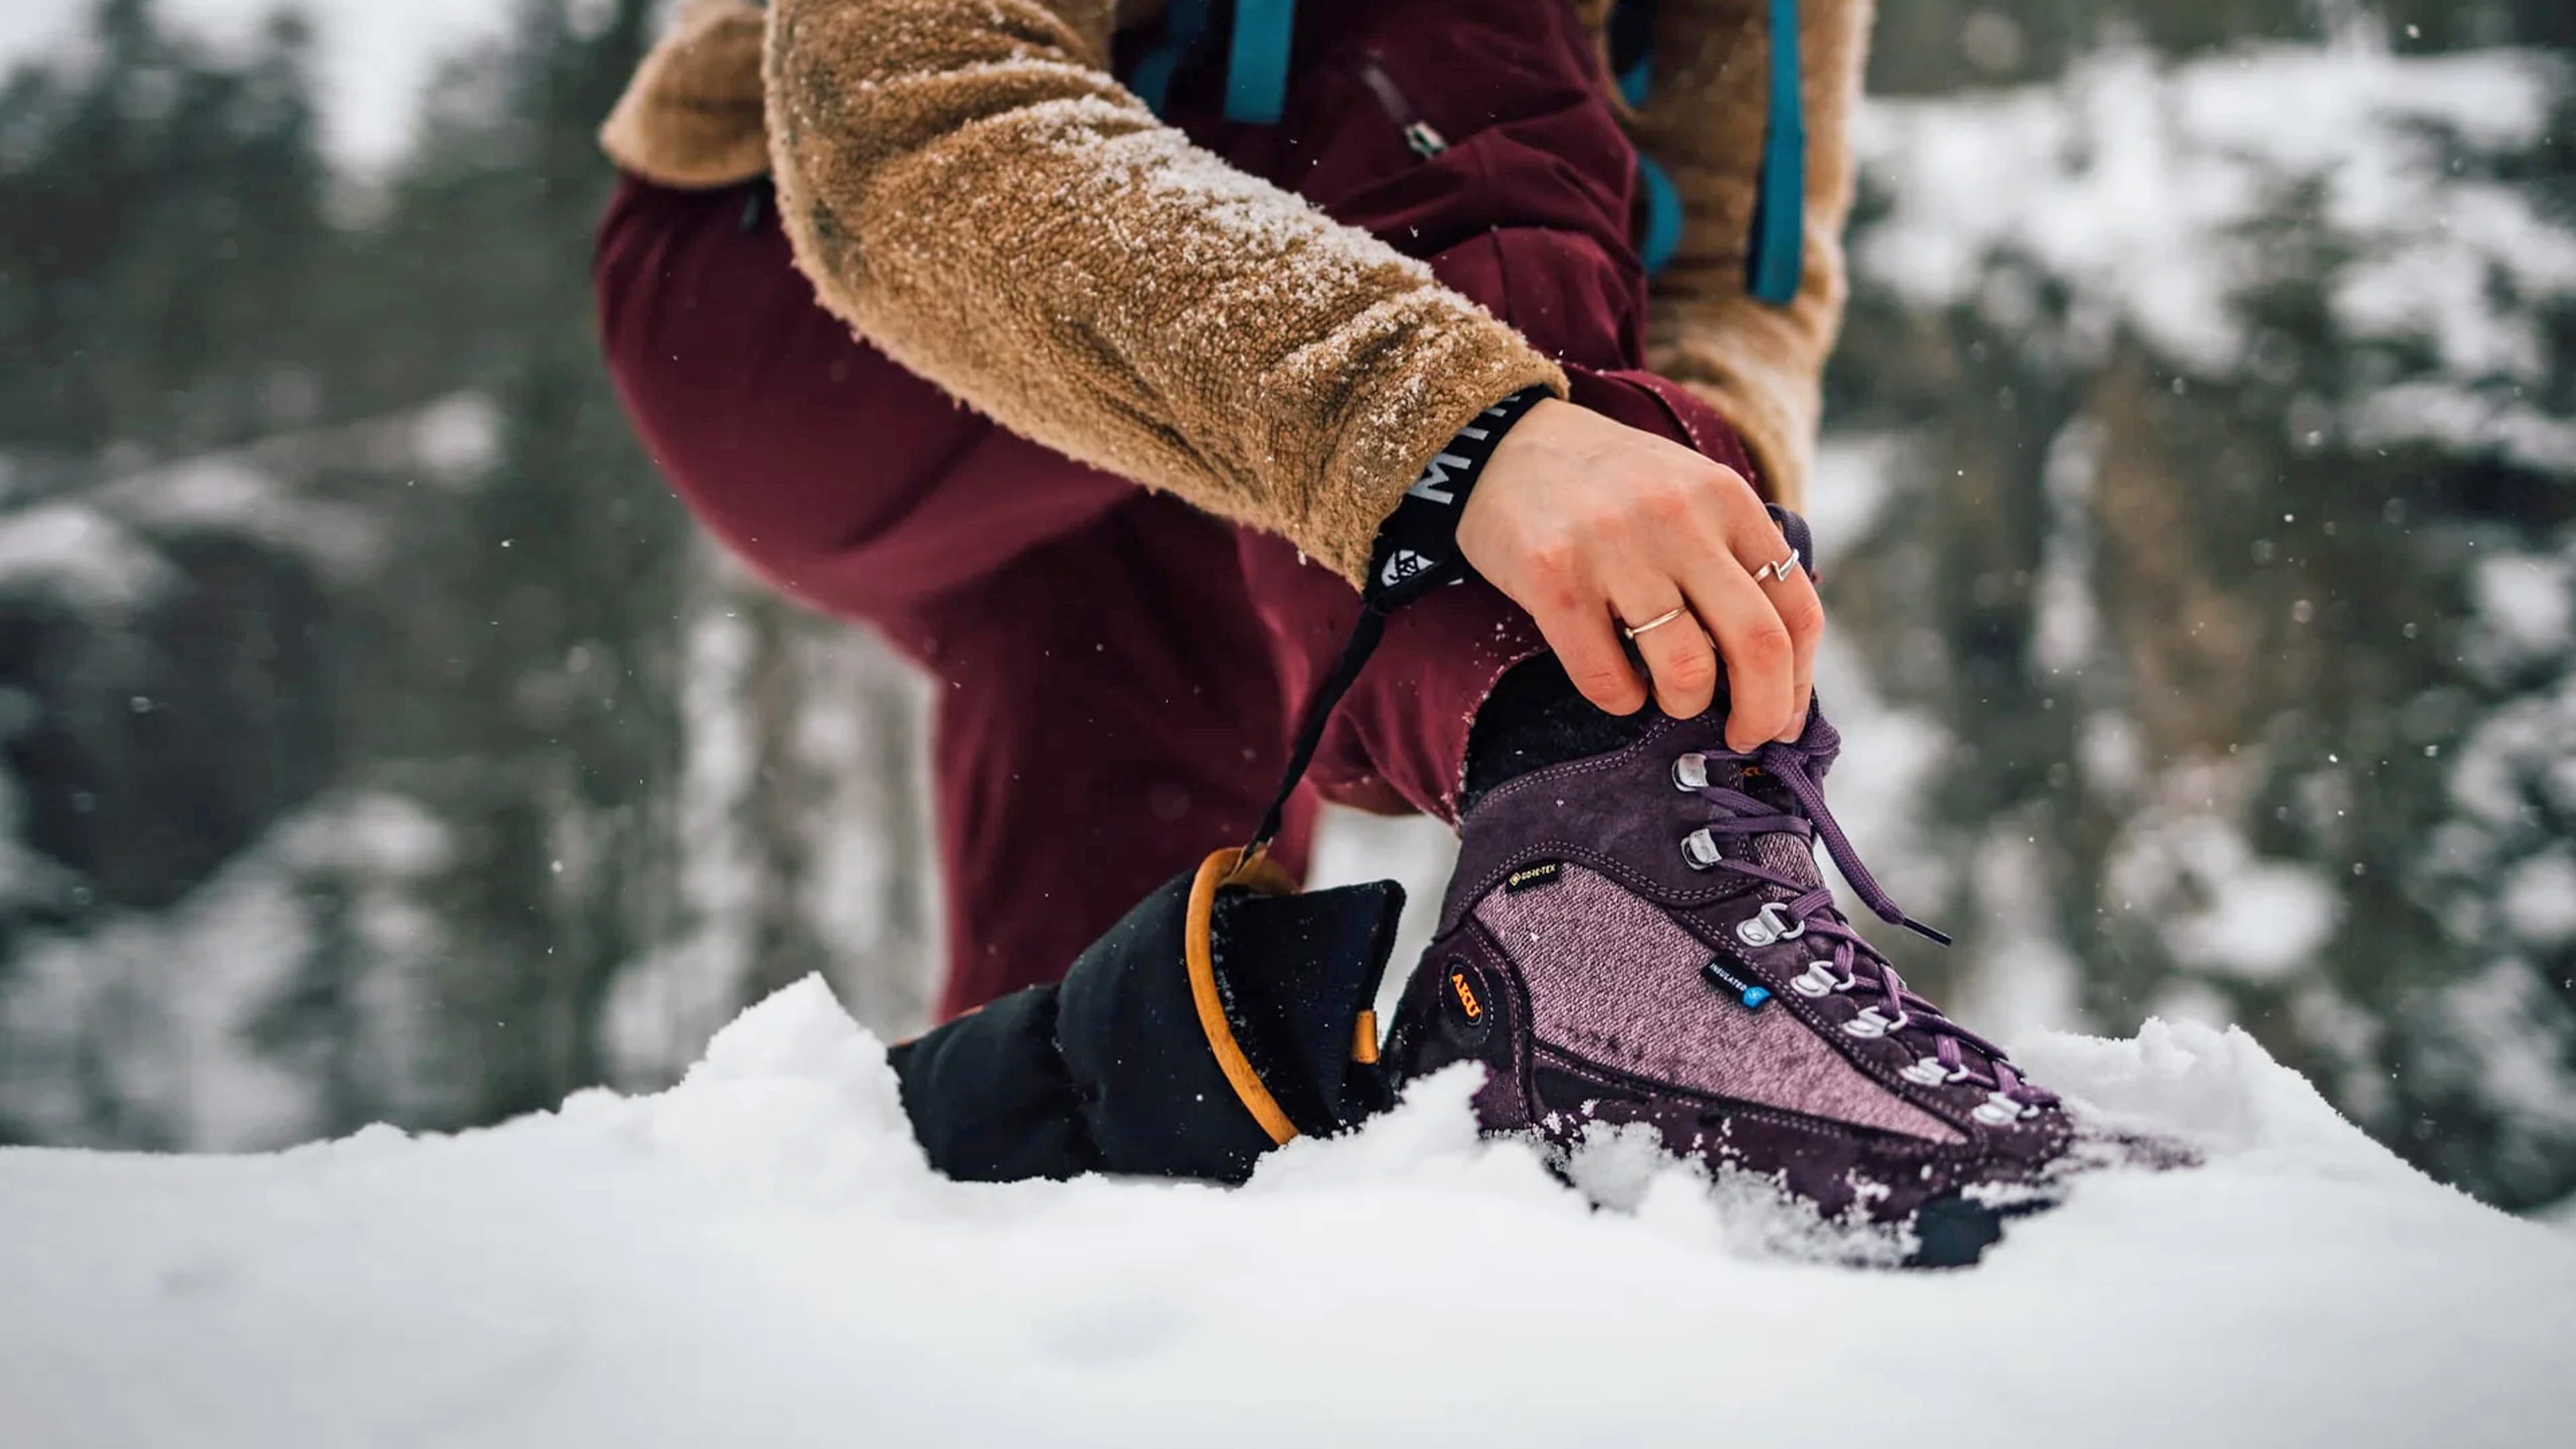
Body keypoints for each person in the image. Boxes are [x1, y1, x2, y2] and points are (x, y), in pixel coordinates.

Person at [594, 0, 2074, 1263]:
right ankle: (1604, 890)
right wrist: (1469, 445)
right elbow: (904, 114)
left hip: (1175, 441)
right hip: (799, 287)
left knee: (1152, 1087)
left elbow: (1732, 279)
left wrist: (1668, 528)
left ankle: (995, 1249)